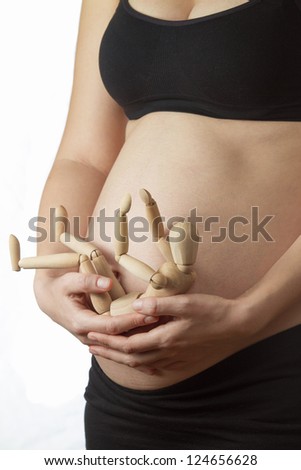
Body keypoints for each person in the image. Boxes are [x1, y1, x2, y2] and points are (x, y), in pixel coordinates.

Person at [33, 0, 301, 449]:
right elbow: (82, 155)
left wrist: (251, 312)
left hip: (279, 360)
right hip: (124, 394)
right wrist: (50, 276)